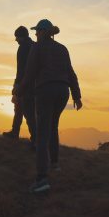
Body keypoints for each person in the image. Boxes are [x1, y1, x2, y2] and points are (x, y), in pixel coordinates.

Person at [13, 19, 82, 194]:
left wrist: (18, 92)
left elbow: (29, 74)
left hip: (45, 90)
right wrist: (77, 96)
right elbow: (71, 74)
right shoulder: (62, 48)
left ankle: (42, 179)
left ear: (43, 32)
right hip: (62, 92)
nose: (35, 34)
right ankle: (55, 164)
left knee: (42, 133)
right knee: (53, 127)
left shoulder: (37, 48)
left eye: (37, 32)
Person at [3, 26, 36, 146]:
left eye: (17, 37)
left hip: (25, 83)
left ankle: (33, 138)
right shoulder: (34, 45)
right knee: (22, 109)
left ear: (22, 36)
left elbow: (21, 69)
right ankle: (17, 133)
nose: (16, 40)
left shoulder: (23, 48)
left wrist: (17, 85)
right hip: (34, 84)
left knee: (26, 111)